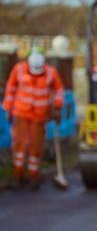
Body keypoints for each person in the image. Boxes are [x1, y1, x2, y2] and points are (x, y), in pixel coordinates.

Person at [3, 51, 64, 189]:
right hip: (21, 114)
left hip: (39, 116)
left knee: (35, 147)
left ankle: (33, 176)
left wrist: (57, 107)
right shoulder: (18, 70)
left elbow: (59, 90)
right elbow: (10, 88)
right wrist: (8, 109)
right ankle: (17, 175)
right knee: (20, 145)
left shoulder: (51, 73)